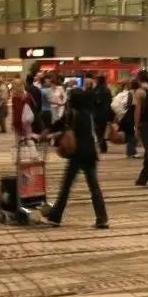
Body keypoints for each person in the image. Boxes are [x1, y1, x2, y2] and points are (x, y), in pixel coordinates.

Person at [43, 89, 109, 228]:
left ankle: (55, 217)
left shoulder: (71, 113)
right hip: (90, 152)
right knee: (94, 187)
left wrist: (46, 133)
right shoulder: (89, 112)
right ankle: (102, 218)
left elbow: (59, 124)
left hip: (77, 153)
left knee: (66, 186)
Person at [92, 76, 112, 154]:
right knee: (102, 129)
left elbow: (93, 101)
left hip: (96, 113)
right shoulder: (107, 90)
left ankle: (102, 143)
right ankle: (102, 144)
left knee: (97, 129)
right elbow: (109, 102)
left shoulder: (95, 90)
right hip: (104, 113)